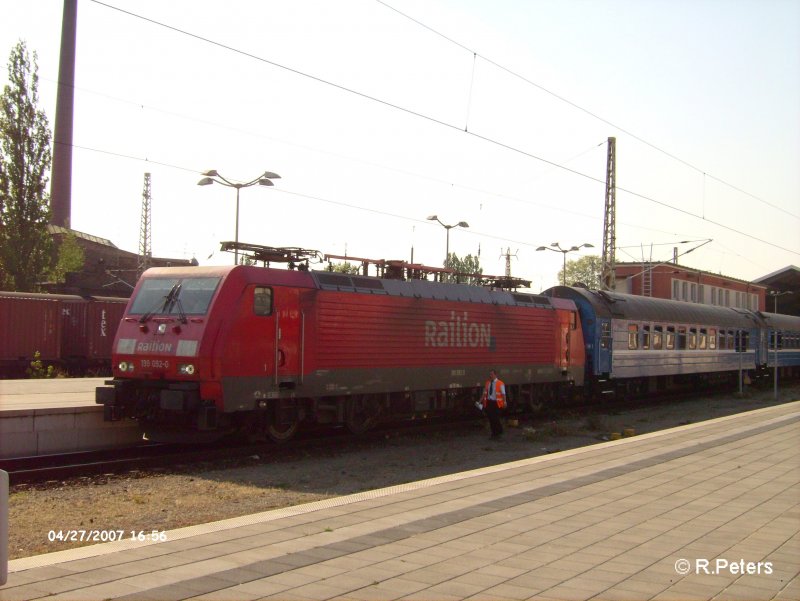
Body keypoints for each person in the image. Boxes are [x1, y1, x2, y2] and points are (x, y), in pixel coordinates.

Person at [481, 369, 506, 438]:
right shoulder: (488, 383)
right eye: (490, 374)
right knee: (490, 418)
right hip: (489, 402)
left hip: (496, 403)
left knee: (495, 418)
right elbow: (485, 393)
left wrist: (504, 402)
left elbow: (503, 394)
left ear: (495, 375)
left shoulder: (500, 383)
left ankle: (498, 431)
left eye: (492, 374)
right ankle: (494, 433)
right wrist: (480, 401)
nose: (490, 376)